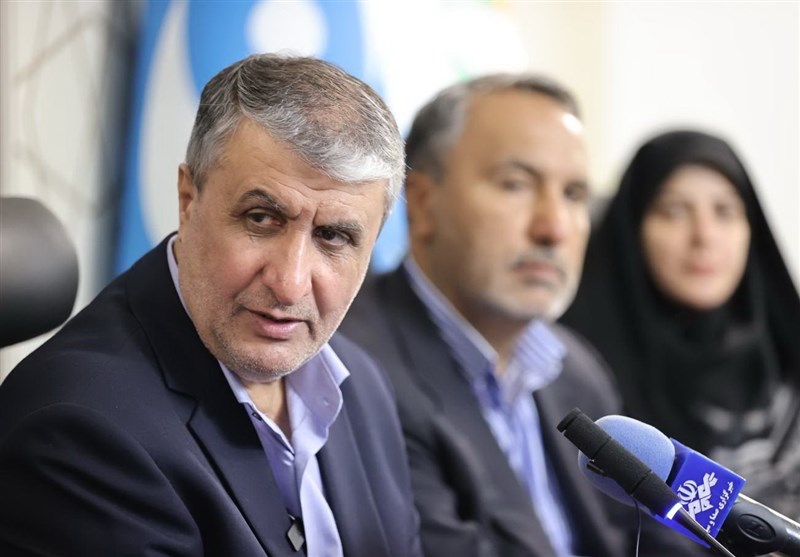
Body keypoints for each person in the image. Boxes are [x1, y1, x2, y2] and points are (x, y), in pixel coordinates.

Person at [0, 54, 422, 557]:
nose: (290, 285)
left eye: (334, 236)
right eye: (261, 219)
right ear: (188, 199)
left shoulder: (362, 386)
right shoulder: (81, 430)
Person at [339, 75, 703, 556]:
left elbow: (654, 534)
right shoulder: (358, 371)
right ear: (423, 202)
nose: (553, 228)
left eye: (574, 194)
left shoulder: (574, 366)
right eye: (516, 185)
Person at [561, 129, 800, 520]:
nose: (704, 235)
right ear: (632, 228)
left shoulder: (788, 352)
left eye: (724, 211)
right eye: (673, 211)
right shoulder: (575, 373)